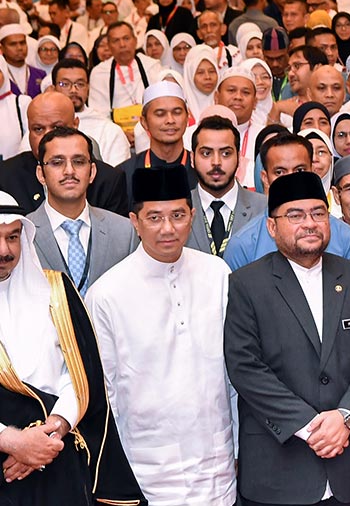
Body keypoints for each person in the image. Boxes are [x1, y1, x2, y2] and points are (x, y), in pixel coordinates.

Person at [225, 170, 350, 506]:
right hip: (280, 467)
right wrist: (309, 425)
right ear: (272, 227)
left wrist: (347, 415)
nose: (309, 223)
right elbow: (245, 366)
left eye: (318, 213)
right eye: (295, 215)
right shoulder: (246, 285)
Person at [86, 165, 237, 505]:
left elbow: (234, 375)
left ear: (192, 216)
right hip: (145, 468)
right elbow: (106, 392)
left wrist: (239, 448)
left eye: (178, 216)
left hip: (217, 463)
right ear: (134, 222)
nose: (168, 228)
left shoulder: (217, 274)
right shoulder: (106, 294)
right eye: (154, 218)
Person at [0, 191, 147, 505]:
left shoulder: (55, 291)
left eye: (13, 237)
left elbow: (80, 372)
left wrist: (54, 430)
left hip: (59, 455)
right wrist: (12, 441)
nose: (5, 250)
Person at [224, 131, 350, 270]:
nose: (291, 180)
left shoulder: (342, 235)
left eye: (299, 170)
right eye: (279, 172)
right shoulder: (243, 245)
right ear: (265, 178)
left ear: (312, 171)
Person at [27, 126, 134, 294]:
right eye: (57, 162)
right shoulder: (24, 232)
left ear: (92, 172)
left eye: (78, 162)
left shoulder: (125, 231)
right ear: (41, 174)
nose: (69, 171)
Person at [0, 92, 128, 216]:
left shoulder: (108, 181)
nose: (47, 137)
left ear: (75, 125)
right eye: (38, 129)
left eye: (57, 128)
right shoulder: (5, 177)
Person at [185, 115, 267, 257]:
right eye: (206, 153)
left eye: (226, 153)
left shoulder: (265, 208)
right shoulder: (177, 210)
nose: (216, 162)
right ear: (192, 159)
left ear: (239, 158)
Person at [118, 82, 198, 205]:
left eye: (177, 112)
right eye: (160, 114)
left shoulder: (200, 169)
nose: (170, 120)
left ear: (187, 118)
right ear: (144, 122)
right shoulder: (124, 174)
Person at [89, 22, 162, 129]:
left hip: (152, 130)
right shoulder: (99, 73)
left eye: (126, 38)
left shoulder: (152, 66)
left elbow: (161, 104)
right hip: (115, 133)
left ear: (135, 41)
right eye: (116, 41)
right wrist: (120, 134)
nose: (122, 44)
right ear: (109, 45)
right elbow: (99, 115)